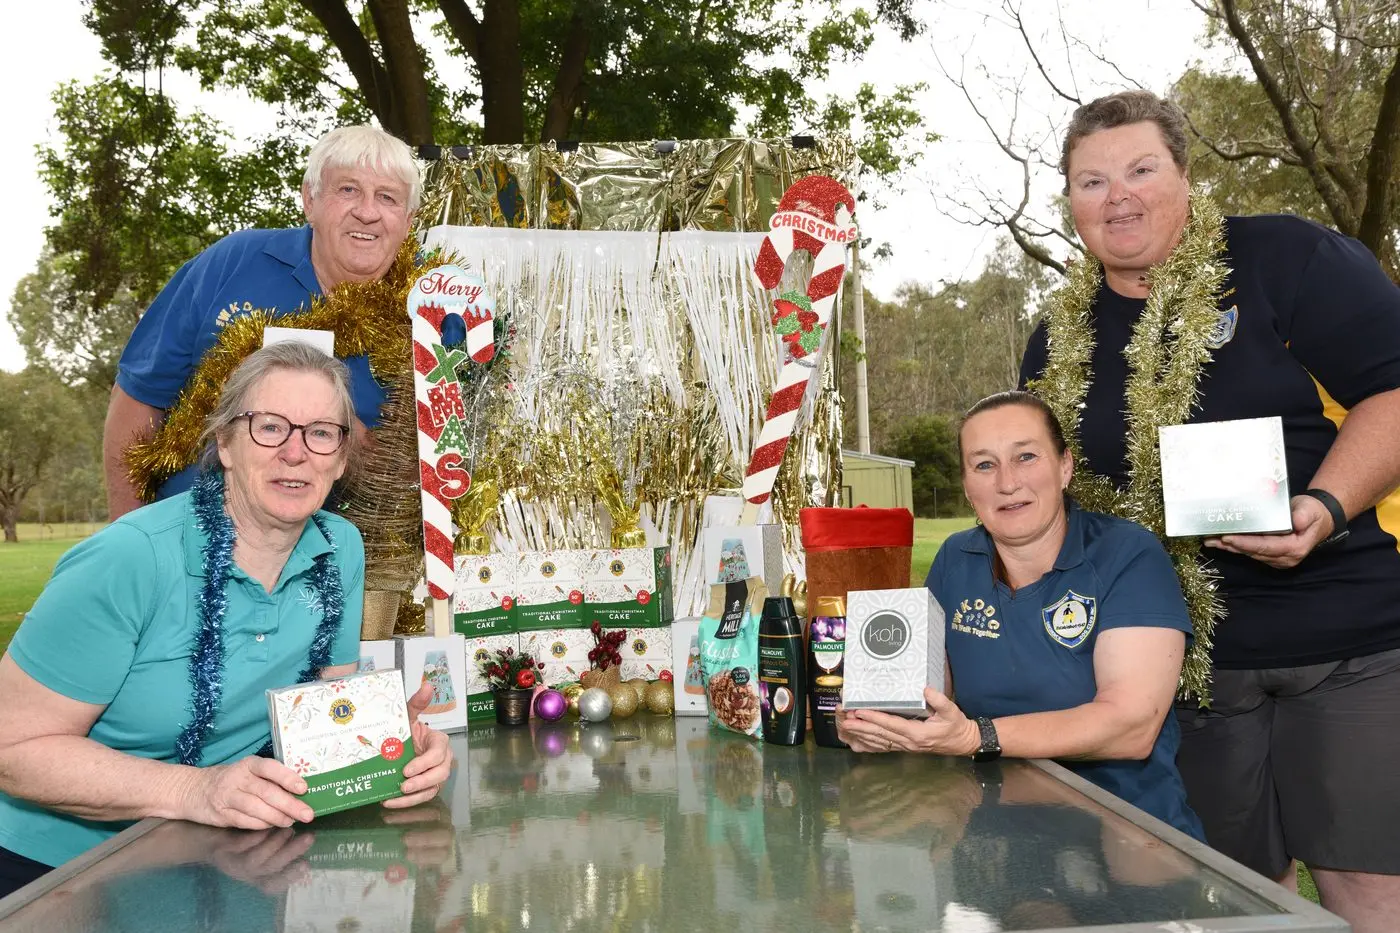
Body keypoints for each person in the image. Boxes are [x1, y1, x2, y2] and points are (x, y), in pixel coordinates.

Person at [1019, 89, 1400, 931]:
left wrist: (1325, 506)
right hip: (1182, 670)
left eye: (1140, 169)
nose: (1117, 196)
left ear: (1186, 175)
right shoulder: (1058, 337)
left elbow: (1394, 391)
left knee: (1370, 894)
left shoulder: (1285, 259)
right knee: (1219, 900)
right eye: (1091, 181)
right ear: (1069, 204)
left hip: (1346, 643)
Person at [0, 343, 454, 898]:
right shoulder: (130, 559)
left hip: (222, 857)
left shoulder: (342, 549)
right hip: (61, 874)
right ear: (226, 443)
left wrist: (394, 748)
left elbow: (325, 710)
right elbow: (13, 750)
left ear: (339, 458)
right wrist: (197, 791)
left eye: (320, 432)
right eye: (270, 427)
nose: (296, 453)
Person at [837, 391, 1205, 841]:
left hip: (1122, 830)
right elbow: (933, 699)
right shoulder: (957, 559)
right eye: (984, 465)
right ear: (967, 485)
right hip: (992, 832)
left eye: (1026, 456)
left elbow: (1130, 727)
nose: (1007, 483)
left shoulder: (1126, 555)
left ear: (1065, 466)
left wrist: (977, 737)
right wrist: (880, 723)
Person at [103, 124, 420, 520]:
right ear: (310, 200)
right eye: (348, 189)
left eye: (387, 197)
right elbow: (138, 396)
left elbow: (433, 468)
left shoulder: (432, 307)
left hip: (347, 558)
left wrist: (338, 433)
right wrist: (127, 532)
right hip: (191, 537)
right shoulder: (232, 262)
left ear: (408, 221)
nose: (367, 211)